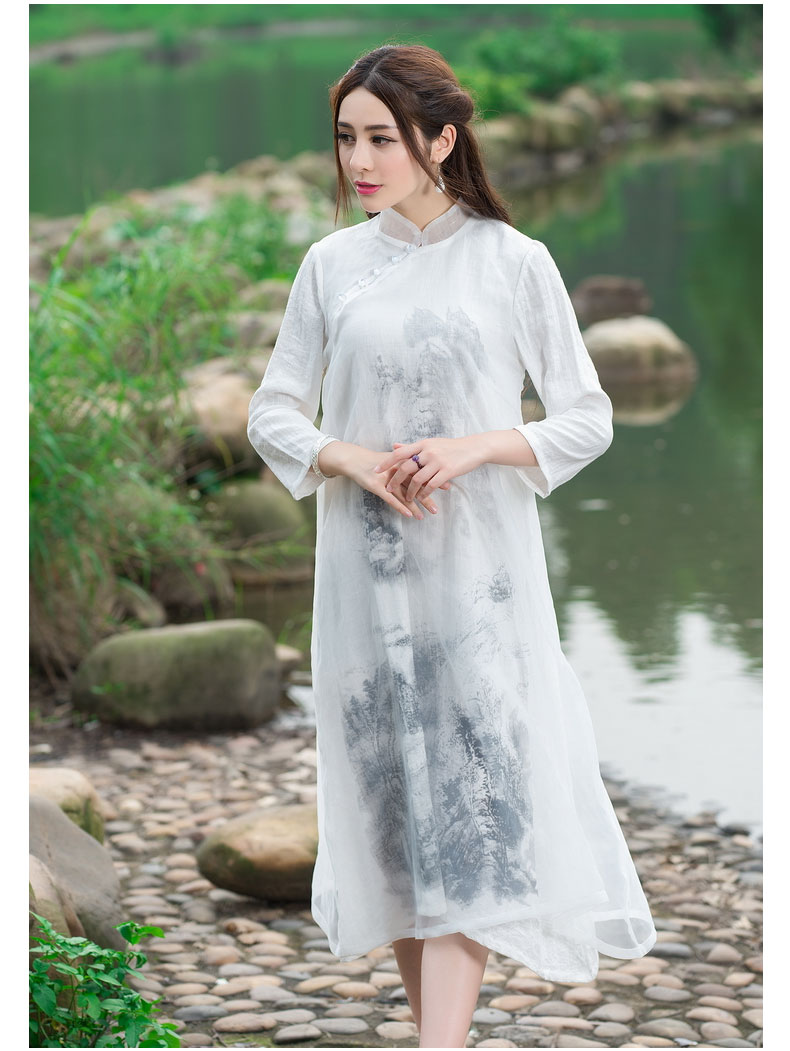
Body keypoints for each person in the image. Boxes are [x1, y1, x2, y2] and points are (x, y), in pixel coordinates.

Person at [247, 42, 657, 1049]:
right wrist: (346, 456)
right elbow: (271, 411)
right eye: (346, 138)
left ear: (439, 138)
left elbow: (586, 416)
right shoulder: (331, 266)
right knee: (393, 819)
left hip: (478, 581)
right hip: (363, 576)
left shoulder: (513, 262)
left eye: (381, 138)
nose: (359, 160)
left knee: (473, 807)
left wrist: (476, 446)